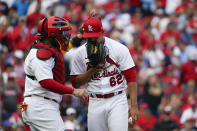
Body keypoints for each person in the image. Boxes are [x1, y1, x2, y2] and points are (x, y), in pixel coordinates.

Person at [20, 16, 88, 131]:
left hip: (37, 104)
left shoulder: (45, 48)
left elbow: (67, 46)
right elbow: (45, 82)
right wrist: (73, 91)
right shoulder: (42, 53)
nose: (66, 36)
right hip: (41, 106)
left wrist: (79, 37)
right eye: (63, 33)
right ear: (53, 35)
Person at [70, 17, 139, 131]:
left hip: (117, 99)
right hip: (95, 100)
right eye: (89, 37)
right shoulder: (80, 53)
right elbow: (75, 83)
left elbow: (131, 78)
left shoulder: (118, 49)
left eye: (95, 36)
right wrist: (93, 70)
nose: (92, 39)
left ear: (102, 32)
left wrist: (134, 106)